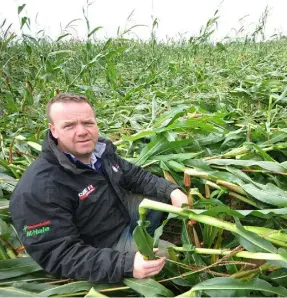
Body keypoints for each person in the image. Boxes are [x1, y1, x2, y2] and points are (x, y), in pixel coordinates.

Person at [9, 93, 188, 283]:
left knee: (160, 199)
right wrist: (125, 264)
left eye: (88, 123)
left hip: (117, 215)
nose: (82, 131)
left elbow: (134, 175)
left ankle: (143, 238)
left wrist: (172, 190)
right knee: (172, 257)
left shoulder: (100, 152)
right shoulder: (38, 189)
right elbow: (58, 254)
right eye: (69, 125)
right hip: (100, 246)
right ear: (53, 130)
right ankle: (139, 254)